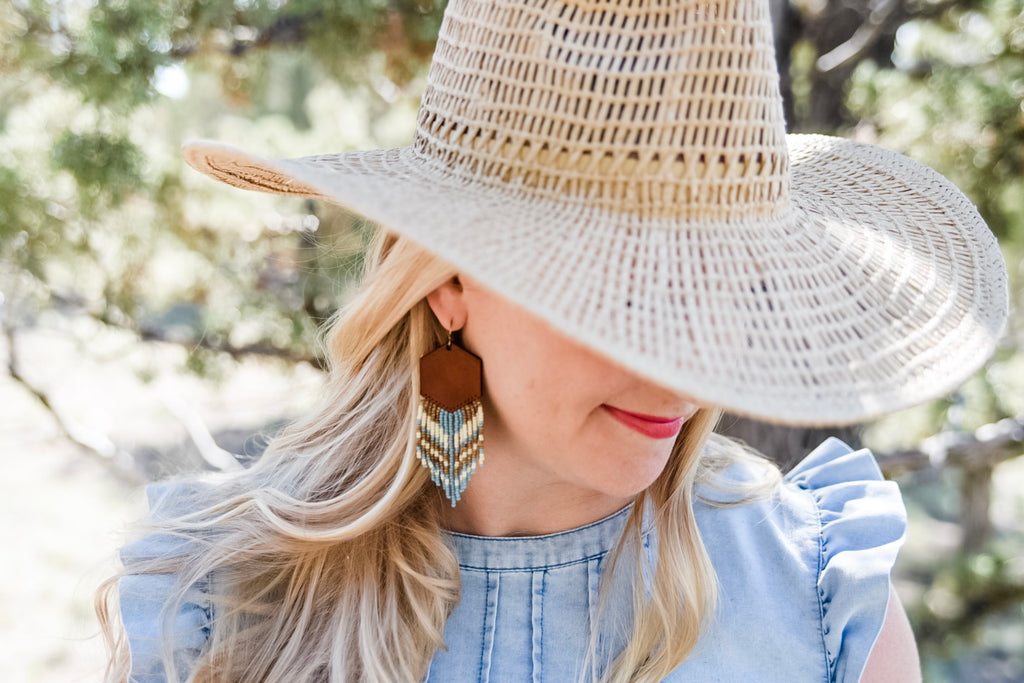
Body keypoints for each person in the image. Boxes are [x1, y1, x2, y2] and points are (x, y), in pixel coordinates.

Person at [97, 0, 1009, 680]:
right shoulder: (214, 607)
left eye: (726, 285)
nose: (684, 363)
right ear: (450, 281)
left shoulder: (826, 608)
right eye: (627, 294)